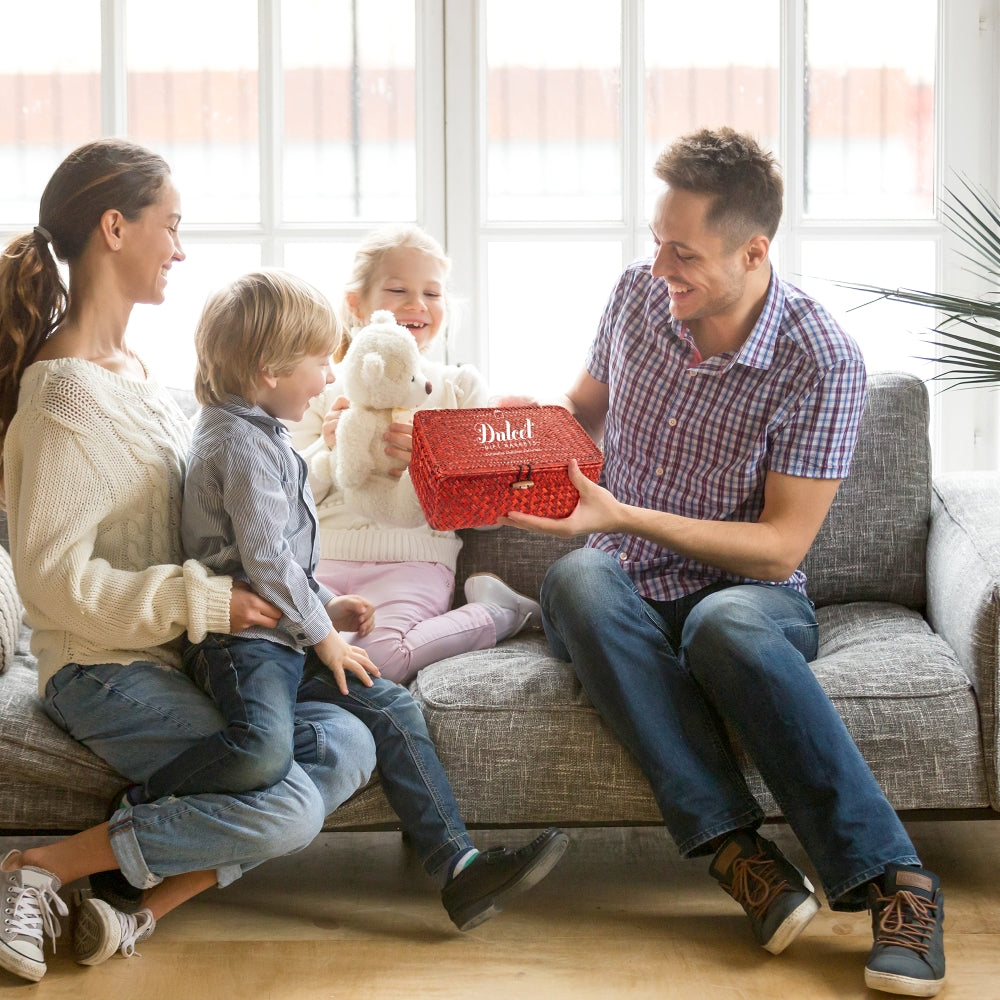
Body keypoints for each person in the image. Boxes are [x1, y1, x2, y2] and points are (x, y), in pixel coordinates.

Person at [504, 128, 946, 998]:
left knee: (722, 626)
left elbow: (781, 547)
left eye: (684, 253)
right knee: (580, 578)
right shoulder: (636, 298)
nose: (659, 267)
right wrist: (501, 428)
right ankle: (742, 856)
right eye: (656, 241)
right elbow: (579, 412)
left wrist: (624, 513)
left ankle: (899, 884)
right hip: (621, 586)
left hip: (751, 594)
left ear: (754, 251)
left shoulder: (820, 360)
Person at [0, 138, 379, 983]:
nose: (180, 249)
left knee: (351, 742)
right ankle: (38, 869)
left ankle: (123, 904)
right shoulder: (65, 393)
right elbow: (51, 582)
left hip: (173, 660)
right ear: (114, 228)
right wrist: (205, 603)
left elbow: (216, 522)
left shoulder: (139, 376)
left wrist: (306, 599)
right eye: (170, 226)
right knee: (287, 801)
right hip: (98, 667)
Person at [139, 266, 569, 930]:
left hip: (282, 633)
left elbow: (283, 555)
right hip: (241, 645)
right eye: (320, 363)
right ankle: (138, 808)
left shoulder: (263, 431)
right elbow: (267, 559)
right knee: (261, 747)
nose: (329, 378)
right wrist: (324, 634)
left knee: (392, 705)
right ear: (270, 370)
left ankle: (459, 868)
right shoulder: (236, 442)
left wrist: (324, 610)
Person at [286, 224, 542, 686]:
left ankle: (497, 611)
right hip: (323, 559)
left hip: (414, 561)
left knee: (378, 663)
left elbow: (489, 513)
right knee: (293, 661)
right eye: (398, 290)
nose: (417, 304)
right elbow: (285, 498)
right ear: (355, 304)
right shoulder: (322, 385)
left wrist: (431, 464)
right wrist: (328, 445)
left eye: (432, 293)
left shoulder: (458, 388)